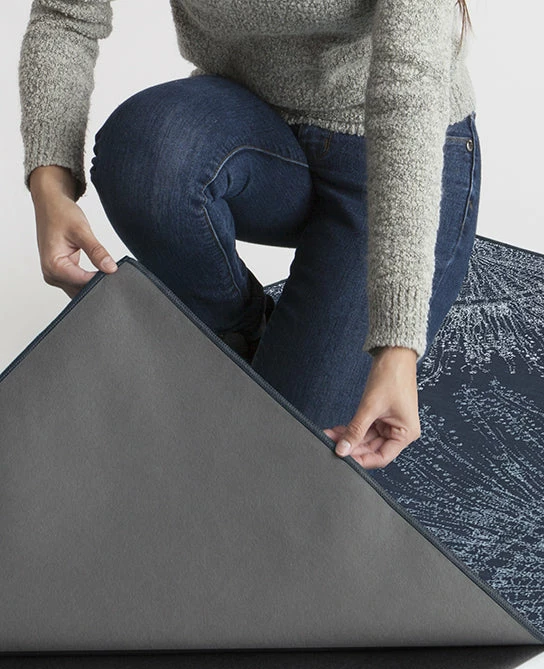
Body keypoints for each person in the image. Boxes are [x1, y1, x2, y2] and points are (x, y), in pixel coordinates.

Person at [18, 0, 481, 470]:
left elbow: (409, 82)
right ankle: (246, 334)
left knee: (283, 455)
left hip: (399, 152)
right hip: (253, 130)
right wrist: (49, 188)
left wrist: (397, 343)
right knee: (145, 154)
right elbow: (66, 15)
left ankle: (302, 358)